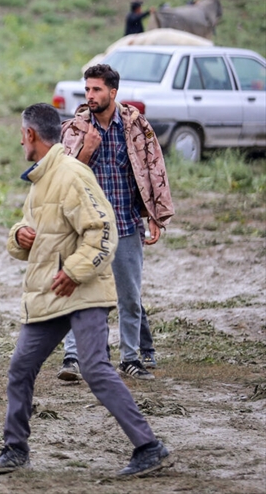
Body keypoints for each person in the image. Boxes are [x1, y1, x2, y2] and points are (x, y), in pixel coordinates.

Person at [0, 103, 172, 477]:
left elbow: (104, 231)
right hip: (52, 293)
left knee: (94, 368)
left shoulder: (72, 174)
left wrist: (73, 271)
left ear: (30, 135)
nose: (20, 140)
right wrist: (19, 237)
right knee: (20, 368)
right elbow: (33, 232)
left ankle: (149, 447)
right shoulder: (42, 181)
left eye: (21, 134)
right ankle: (15, 449)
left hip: (82, 290)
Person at [56, 63, 174, 382]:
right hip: (85, 229)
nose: (90, 95)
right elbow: (61, 176)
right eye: (88, 89)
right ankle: (73, 357)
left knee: (129, 297)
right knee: (78, 291)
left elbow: (154, 168)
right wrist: (86, 152)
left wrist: (156, 217)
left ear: (113, 92)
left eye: (96, 89)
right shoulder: (76, 129)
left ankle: (131, 358)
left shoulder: (135, 126)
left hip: (125, 223)